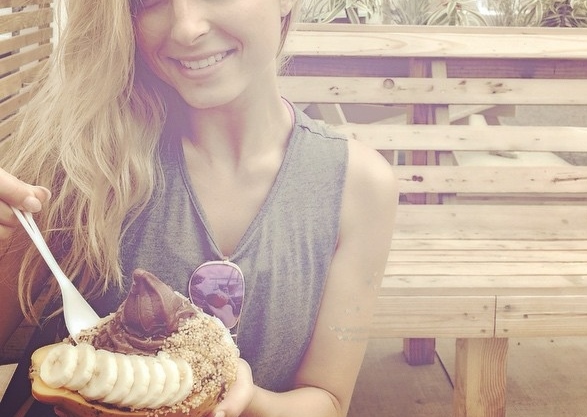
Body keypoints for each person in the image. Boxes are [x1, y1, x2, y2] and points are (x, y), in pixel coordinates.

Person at [0, 1, 398, 416]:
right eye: (149, 1)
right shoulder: (79, 159)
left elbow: (327, 400)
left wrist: (244, 400)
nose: (186, 28)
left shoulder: (357, 186)